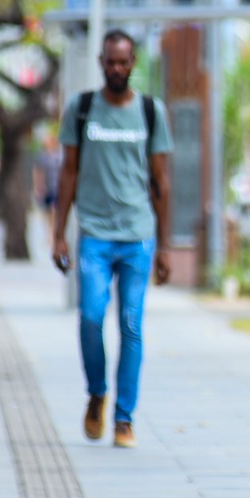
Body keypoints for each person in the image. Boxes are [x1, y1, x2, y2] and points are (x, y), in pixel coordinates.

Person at [52, 30, 173, 449]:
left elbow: (161, 182)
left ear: (134, 62)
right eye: (110, 62)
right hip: (95, 237)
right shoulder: (82, 109)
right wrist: (58, 234)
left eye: (124, 63)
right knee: (90, 316)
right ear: (102, 62)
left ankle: (124, 418)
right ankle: (97, 393)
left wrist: (166, 247)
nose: (117, 69)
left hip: (138, 236)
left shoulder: (150, 111)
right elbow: (67, 172)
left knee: (131, 324)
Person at [34, 131, 63, 216]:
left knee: (54, 210)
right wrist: (39, 187)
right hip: (47, 188)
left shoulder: (58, 156)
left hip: (56, 188)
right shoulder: (42, 157)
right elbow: (38, 172)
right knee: (47, 212)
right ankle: (50, 228)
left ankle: (54, 228)